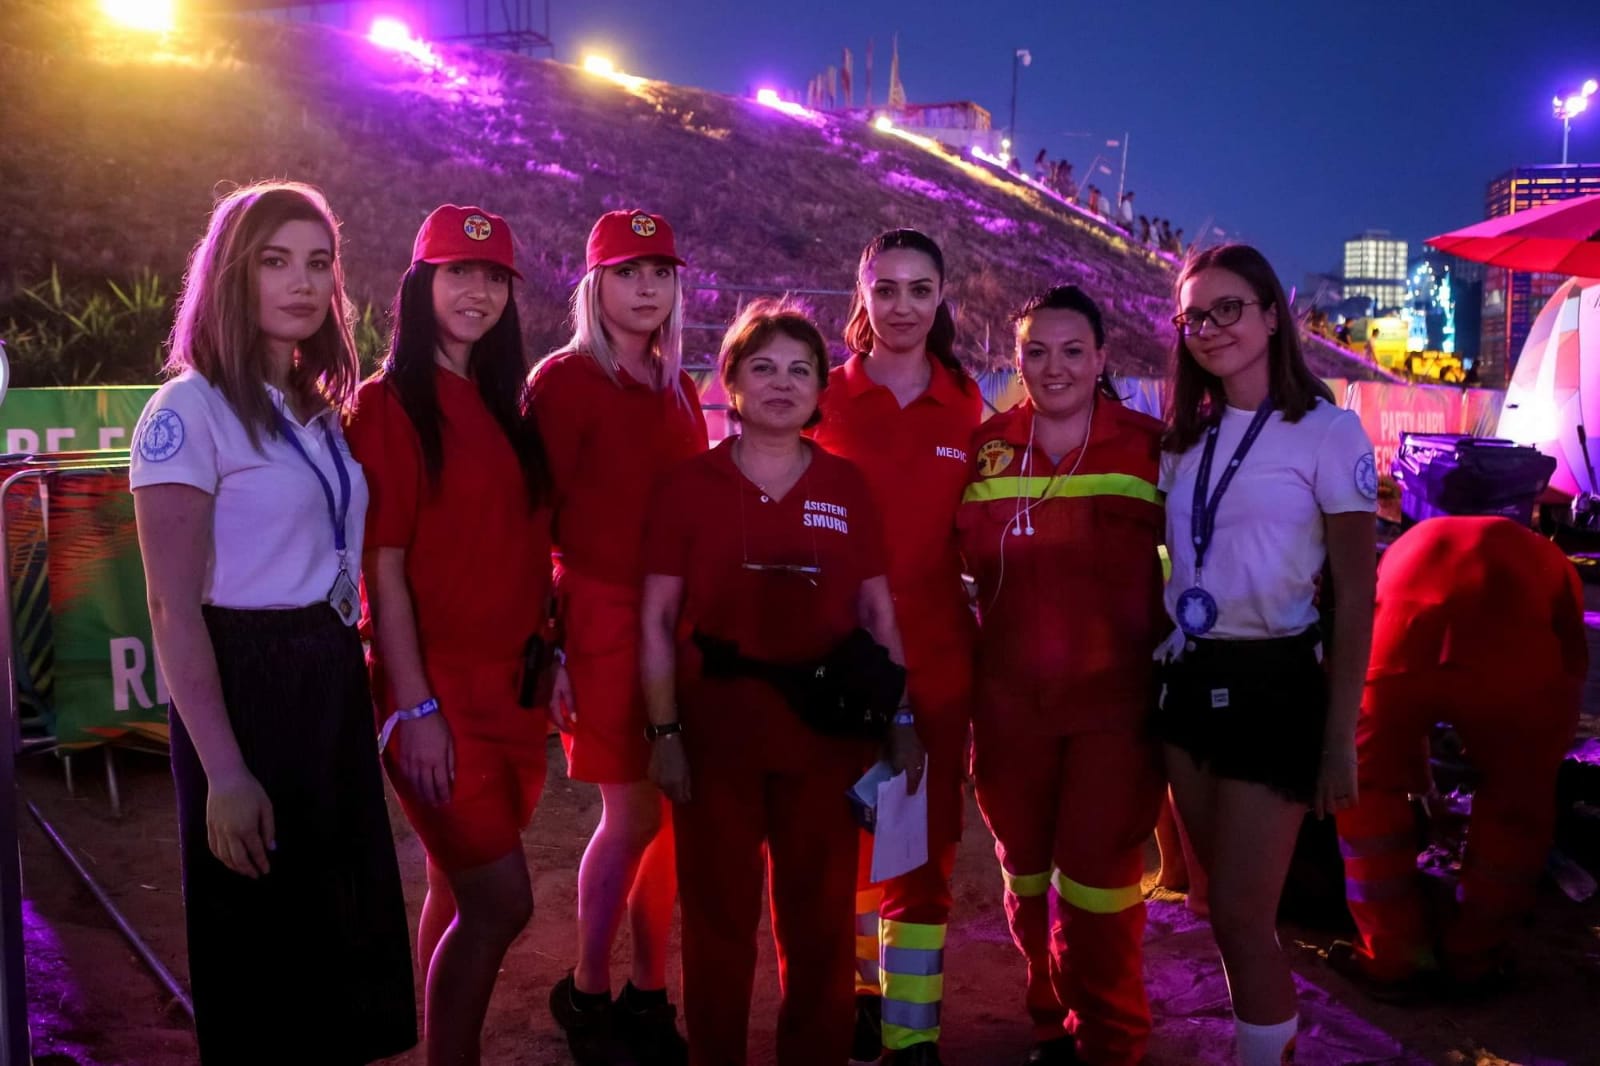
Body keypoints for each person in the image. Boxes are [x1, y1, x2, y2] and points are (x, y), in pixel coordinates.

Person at [130, 181, 415, 1064]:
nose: (302, 282)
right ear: (230, 275)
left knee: (336, 937)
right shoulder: (187, 411)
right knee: (259, 950)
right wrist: (223, 770)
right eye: (275, 261)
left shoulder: (314, 408)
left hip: (327, 669)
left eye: (319, 263)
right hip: (244, 680)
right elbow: (172, 608)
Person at [640, 298, 924, 1066]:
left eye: (800, 370)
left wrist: (901, 720)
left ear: (820, 388)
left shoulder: (846, 485)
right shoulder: (688, 487)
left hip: (824, 739)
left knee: (820, 924)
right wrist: (664, 733)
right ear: (729, 382)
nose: (782, 383)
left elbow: (878, 613)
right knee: (718, 922)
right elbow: (656, 620)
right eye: (762, 367)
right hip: (717, 737)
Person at [1154, 244, 1376, 1066]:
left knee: (1244, 916)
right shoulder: (1186, 438)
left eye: (1229, 309)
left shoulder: (1327, 432)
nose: (1210, 328)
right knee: (1219, 905)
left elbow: (1356, 595)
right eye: (1194, 317)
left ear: (1273, 315)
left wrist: (1340, 737)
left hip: (1274, 686)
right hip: (1187, 682)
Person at [347, 204, 553, 1065]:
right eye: (458, 272)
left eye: (494, 277)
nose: (478, 291)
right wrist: (416, 705)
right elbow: (383, 566)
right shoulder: (387, 405)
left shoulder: (506, 406)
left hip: (514, 695)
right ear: (420, 283)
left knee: (457, 887)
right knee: (502, 904)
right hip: (440, 693)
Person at [957, 286, 1167, 1066]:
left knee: (1098, 885)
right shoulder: (984, 451)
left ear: (1102, 357)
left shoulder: (1150, 449)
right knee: (1026, 878)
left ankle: (1112, 1041)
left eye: (1073, 351)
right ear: (1015, 360)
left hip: (1115, 711)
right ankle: (1049, 1018)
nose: (1055, 368)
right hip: (1008, 709)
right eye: (1036, 352)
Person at [529, 209, 706, 1065]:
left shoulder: (678, 389)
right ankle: (587, 988)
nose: (646, 288)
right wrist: (551, 645)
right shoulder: (562, 382)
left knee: (670, 811)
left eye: (660, 273)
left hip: (677, 621)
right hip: (600, 616)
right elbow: (532, 521)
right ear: (595, 286)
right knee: (632, 811)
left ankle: (649, 990)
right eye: (628, 272)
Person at [810, 229, 983, 1066]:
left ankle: (913, 1036)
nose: (902, 307)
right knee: (837, 849)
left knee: (919, 854)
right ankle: (854, 1004)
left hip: (938, 668)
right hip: (834, 663)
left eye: (920, 290)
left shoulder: (968, 406)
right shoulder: (823, 397)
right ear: (863, 291)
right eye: (886, 289)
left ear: (941, 297)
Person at [1330, 516, 1585, 1000]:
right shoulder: (1548, 558)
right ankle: (1475, 957)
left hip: (1399, 645)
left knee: (1365, 791)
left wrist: (1419, 784)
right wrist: (1524, 763)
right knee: (1515, 806)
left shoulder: (1406, 545)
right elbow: (1571, 668)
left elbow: (1396, 684)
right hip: (1511, 661)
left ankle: (1394, 957)